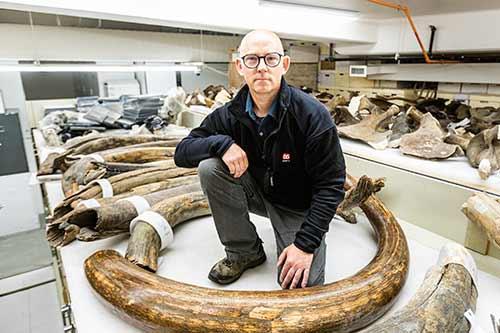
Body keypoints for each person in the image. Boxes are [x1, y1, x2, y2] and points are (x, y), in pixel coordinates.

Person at [174, 30, 345, 289]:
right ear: (240, 66)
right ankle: (244, 251)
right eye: (252, 60)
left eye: (271, 59)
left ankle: (294, 238)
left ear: (284, 64)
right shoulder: (229, 115)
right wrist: (222, 143)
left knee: (303, 284)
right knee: (210, 167)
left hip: (296, 205)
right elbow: (182, 152)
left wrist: (305, 244)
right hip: (257, 192)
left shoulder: (312, 115)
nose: (262, 68)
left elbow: (331, 185)